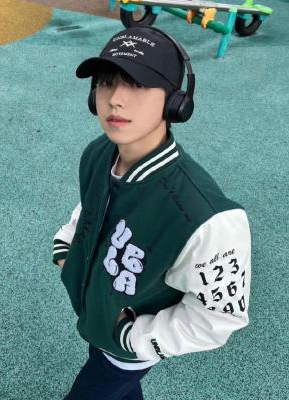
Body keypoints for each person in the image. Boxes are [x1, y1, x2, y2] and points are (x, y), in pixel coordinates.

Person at [52, 26, 251, 400]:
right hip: (96, 317)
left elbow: (219, 317)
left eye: (138, 84)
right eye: (106, 83)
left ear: (176, 101)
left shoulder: (207, 218)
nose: (116, 100)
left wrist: (134, 337)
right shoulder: (98, 153)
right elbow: (92, 205)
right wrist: (67, 246)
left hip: (126, 348)